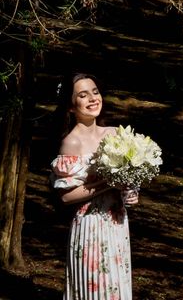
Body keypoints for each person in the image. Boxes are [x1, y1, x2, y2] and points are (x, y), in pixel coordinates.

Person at [50, 72, 138, 300]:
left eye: (95, 92)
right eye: (82, 95)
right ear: (71, 106)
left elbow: (128, 178)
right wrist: (108, 182)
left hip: (117, 225)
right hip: (90, 226)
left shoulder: (116, 134)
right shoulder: (71, 142)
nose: (92, 98)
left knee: (116, 287)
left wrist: (131, 189)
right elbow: (66, 197)